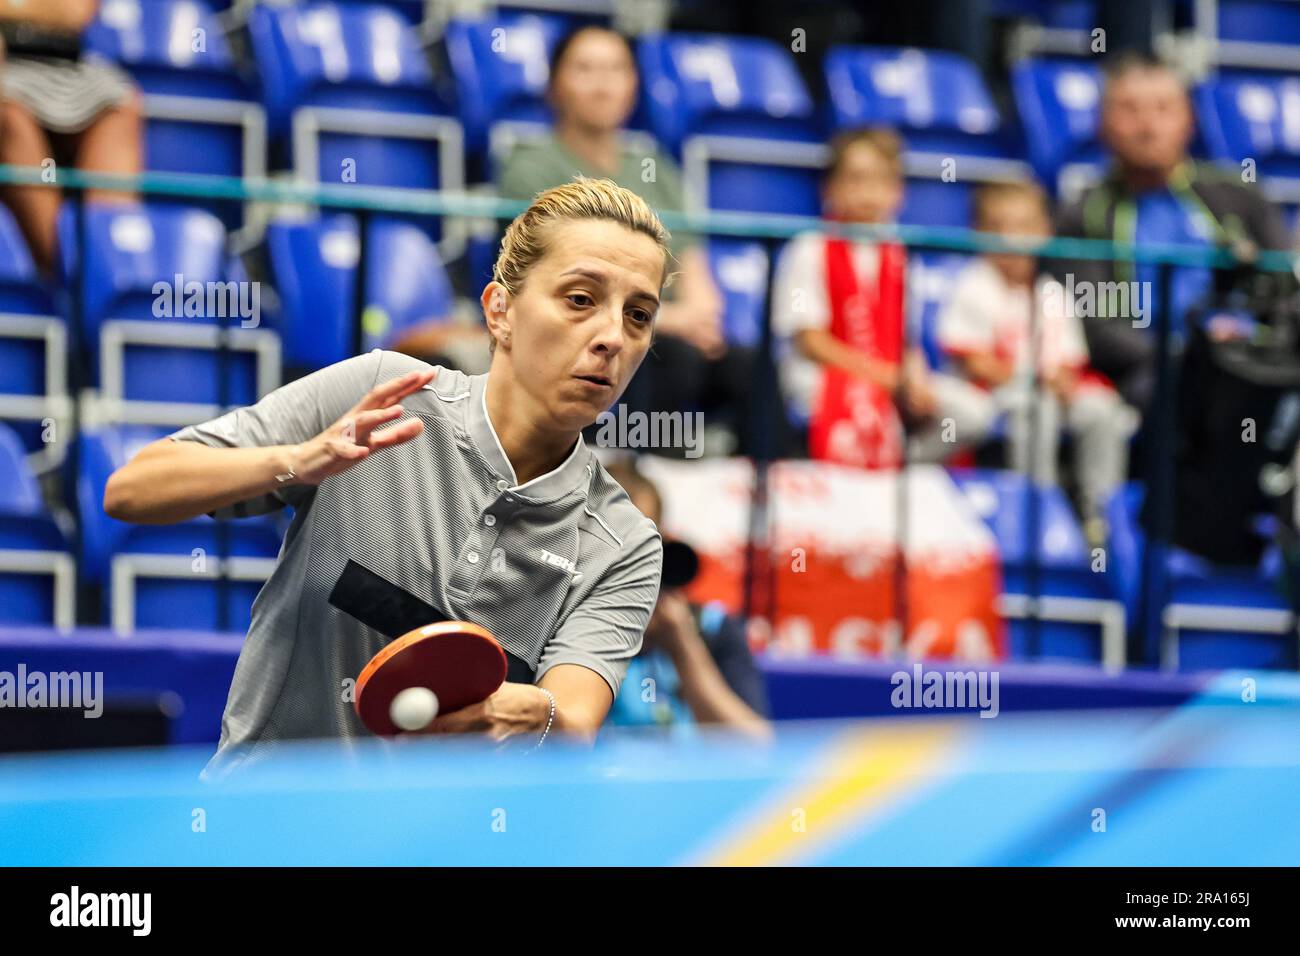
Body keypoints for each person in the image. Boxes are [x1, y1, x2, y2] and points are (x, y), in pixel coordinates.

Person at [104, 178, 667, 775]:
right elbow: (131, 490)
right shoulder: (383, 396)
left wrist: (539, 715)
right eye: (580, 299)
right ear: (500, 312)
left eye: (638, 315)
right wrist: (299, 460)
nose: (612, 336)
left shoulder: (622, 542)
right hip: (257, 828)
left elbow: (573, 718)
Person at [497, 24, 754, 457]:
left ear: (634, 85)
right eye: (585, 69)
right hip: (597, 327)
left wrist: (703, 315)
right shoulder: (530, 166)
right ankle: (641, 488)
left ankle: (762, 499)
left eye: (616, 69)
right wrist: (665, 320)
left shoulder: (655, 166)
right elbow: (554, 282)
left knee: (750, 364)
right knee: (670, 356)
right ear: (554, 85)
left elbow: (694, 263)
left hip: (664, 323)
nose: (602, 85)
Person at [1055, 53, 1293, 413]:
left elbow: (1286, 290)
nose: (1147, 126)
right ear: (1102, 123)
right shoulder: (1085, 213)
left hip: (1252, 362)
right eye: (1129, 110)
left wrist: (1260, 344)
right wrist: (1190, 355)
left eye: (1163, 109)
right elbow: (1098, 327)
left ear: (1189, 120)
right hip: (1154, 374)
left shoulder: (1241, 197)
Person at [937, 181, 1136, 535]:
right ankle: (1037, 510)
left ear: (1045, 232)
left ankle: (1101, 516)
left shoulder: (1053, 292)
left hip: (1051, 393)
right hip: (994, 396)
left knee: (1102, 410)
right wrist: (1035, 379)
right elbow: (974, 362)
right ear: (977, 233)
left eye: (1024, 227)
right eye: (998, 228)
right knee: (1037, 409)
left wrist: (1060, 379)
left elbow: (1069, 362)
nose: (1012, 240)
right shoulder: (974, 284)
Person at [771, 126, 974, 468]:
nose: (868, 191)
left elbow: (906, 340)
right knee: (868, 406)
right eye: (856, 179)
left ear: (899, 192)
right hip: (820, 375)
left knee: (971, 413)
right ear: (830, 187)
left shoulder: (900, 253)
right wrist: (887, 379)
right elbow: (811, 342)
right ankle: (880, 476)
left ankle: (901, 470)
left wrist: (915, 378)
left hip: (888, 373)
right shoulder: (809, 248)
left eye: (881, 180)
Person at [602, 457, 770, 738]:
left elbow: (756, 747)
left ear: (663, 543)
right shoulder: (554, 625)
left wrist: (683, 648)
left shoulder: (710, 627)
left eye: (641, 543)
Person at [0, 0, 142, 271]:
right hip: (7, 70)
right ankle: (73, 273)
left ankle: (112, 268)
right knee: (12, 117)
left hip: (67, 68)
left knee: (121, 104)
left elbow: (74, 11)